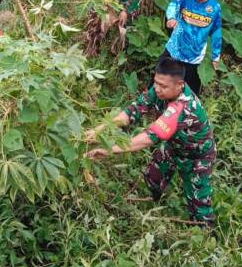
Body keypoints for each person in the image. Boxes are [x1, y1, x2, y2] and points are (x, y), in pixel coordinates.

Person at [84, 58, 216, 225]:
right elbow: (133, 110)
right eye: (156, 83)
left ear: (180, 84)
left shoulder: (183, 107)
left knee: (199, 206)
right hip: (173, 146)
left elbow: (150, 137)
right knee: (153, 178)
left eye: (164, 86)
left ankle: (205, 235)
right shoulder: (159, 89)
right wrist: (100, 129)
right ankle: (158, 203)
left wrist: (111, 150)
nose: (158, 89)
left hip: (197, 157)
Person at [163, 0, 222, 96]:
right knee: (161, 80)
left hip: (195, 57)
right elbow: (173, 6)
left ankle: (188, 113)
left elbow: (217, 31)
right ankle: (154, 106)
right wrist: (171, 18)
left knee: (191, 91)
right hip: (174, 50)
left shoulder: (215, 7)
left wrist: (216, 56)